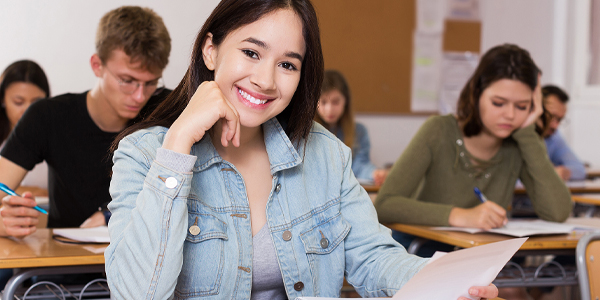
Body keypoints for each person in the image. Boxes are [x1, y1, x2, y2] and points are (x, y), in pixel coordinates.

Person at [104, 0, 498, 299]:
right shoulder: (143, 154)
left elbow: (374, 258)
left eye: (288, 65)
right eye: (251, 52)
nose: (265, 80)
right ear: (211, 50)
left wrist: (447, 283)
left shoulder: (325, 153)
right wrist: (177, 144)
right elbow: (137, 293)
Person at [375, 44, 572, 252]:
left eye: (522, 106)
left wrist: (527, 132)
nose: (511, 115)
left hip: (477, 259)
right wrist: (460, 215)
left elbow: (558, 212)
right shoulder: (439, 130)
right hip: (417, 254)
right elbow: (385, 205)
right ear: (476, 93)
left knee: (514, 283)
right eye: (499, 103)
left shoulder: (520, 143)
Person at [0, 6, 171, 238]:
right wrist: (4, 222)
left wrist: (111, 214)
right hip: (66, 265)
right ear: (97, 65)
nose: (140, 96)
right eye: (127, 80)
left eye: (151, 83)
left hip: (144, 266)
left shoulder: (168, 109)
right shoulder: (47, 116)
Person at [315, 69, 388, 185]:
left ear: (345, 101)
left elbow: (360, 165)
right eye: (323, 102)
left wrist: (374, 173)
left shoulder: (358, 131)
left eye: (335, 102)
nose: (329, 109)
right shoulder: (307, 130)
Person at [0, 60, 50, 194]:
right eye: (18, 102)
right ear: (2, 100)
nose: (28, 111)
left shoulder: (58, 139)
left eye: (36, 103)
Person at [536, 85, 586, 181]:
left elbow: (580, 169)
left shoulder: (553, 137)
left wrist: (564, 172)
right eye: (551, 116)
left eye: (559, 120)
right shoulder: (520, 134)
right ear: (537, 109)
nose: (555, 125)